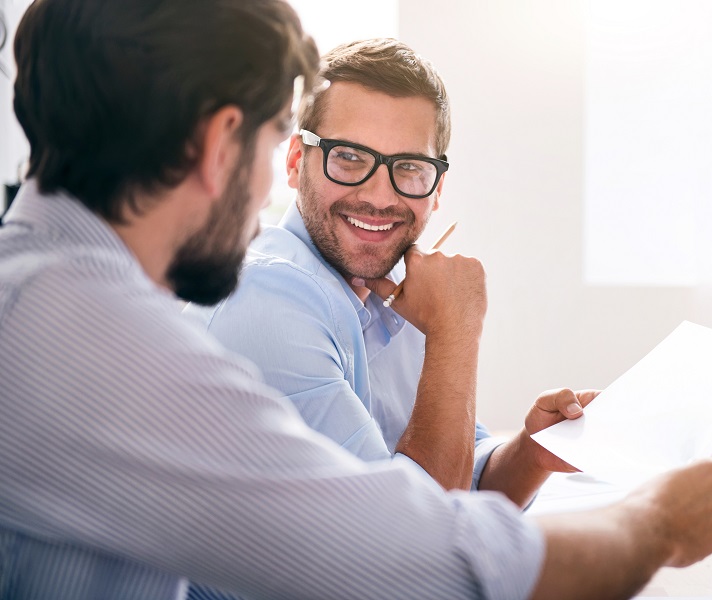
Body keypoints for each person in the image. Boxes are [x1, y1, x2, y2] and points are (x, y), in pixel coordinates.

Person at [0, 1, 712, 599]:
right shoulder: (97, 339)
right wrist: (653, 524)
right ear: (228, 144)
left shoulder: (57, 295)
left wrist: (524, 454)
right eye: (278, 140)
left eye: (406, 168)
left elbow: (430, 505)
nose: (259, 196)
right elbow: (416, 567)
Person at [184, 38, 598, 509]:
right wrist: (456, 331)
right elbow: (419, 539)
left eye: (408, 167)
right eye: (350, 157)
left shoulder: (400, 292)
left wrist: (532, 453)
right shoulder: (265, 296)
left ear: (436, 187)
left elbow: (460, 479)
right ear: (297, 162)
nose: (380, 197)